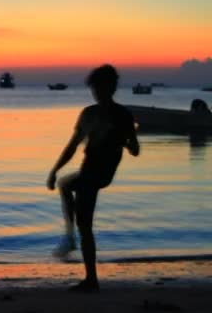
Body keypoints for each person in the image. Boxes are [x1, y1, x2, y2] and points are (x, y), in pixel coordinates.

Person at [46, 64, 140, 292]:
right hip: (89, 171)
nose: (97, 92)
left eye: (101, 87)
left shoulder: (122, 115)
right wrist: (55, 169)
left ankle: (91, 279)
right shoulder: (89, 113)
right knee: (65, 184)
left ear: (112, 87)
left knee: (84, 224)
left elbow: (135, 150)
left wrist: (126, 141)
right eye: (95, 88)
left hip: (100, 172)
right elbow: (72, 146)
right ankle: (70, 238)